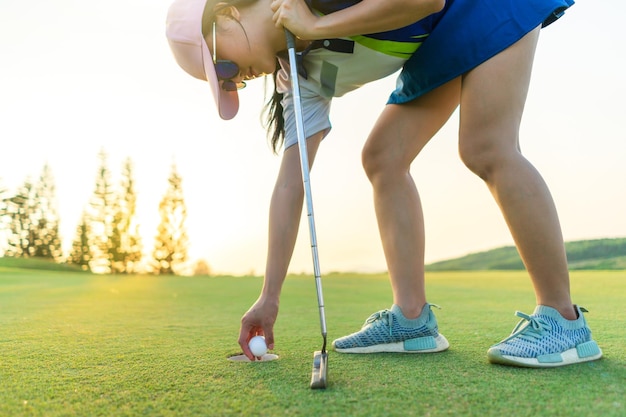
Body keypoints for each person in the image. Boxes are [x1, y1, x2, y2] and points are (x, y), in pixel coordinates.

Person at [166, 0, 603, 367]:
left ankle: (564, 323)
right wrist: (269, 296)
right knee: (384, 157)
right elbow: (290, 185)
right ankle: (412, 321)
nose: (234, 80)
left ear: (226, 13)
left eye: (221, 65)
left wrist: (319, 24)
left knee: (486, 146)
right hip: (443, 32)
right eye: (224, 82)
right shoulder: (297, 77)